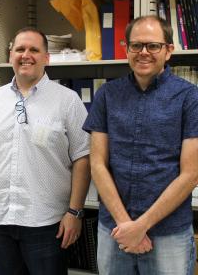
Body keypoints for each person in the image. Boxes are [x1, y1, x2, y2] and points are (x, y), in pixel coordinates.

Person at [0, 27, 91, 275]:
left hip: (46, 224)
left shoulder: (68, 100)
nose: (26, 55)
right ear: (11, 56)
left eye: (34, 49)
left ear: (46, 58)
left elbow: (82, 159)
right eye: (20, 49)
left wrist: (75, 211)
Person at [83, 15, 198, 274]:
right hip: (115, 229)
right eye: (136, 46)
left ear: (168, 50)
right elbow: (97, 164)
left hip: (168, 233)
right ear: (126, 49)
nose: (143, 53)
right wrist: (127, 226)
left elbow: (191, 174)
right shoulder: (107, 95)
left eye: (152, 46)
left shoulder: (190, 98)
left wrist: (140, 226)